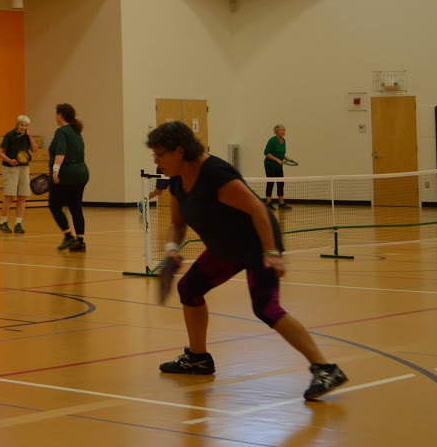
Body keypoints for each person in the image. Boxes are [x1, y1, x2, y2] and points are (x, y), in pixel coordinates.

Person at [147, 120, 347, 400]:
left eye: (159, 154)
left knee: (265, 307)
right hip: (225, 246)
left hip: (256, 242)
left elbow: (257, 209)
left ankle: (326, 368)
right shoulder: (177, 180)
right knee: (189, 289)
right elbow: (177, 224)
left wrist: (271, 253)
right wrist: (171, 248)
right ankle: (197, 358)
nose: (156, 160)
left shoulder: (214, 173)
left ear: (179, 151)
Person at [48, 103, 89, 252]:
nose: (55, 117)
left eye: (56, 114)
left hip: (66, 175)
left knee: (54, 205)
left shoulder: (61, 131)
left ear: (60, 115)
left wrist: (55, 170)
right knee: (76, 208)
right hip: (81, 174)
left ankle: (68, 235)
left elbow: (61, 153)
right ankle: (80, 242)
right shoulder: (76, 131)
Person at [0, 114, 39, 234]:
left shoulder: (27, 136)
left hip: (24, 169)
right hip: (10, 169)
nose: (23, 127)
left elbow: (35, 150)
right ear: (17, 124)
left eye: (26, 126)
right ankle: (2, 222)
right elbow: (0, 153)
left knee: (22, 196)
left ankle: (18, 224)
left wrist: (30, 137)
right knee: (10, 196)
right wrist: (10, 160)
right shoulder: (9, 135)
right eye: (22, 125)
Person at [263, 124, 290, 209]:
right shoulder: (272, 140)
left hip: (278, 166)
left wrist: (288, 159)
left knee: (280, 183)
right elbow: (266, 153)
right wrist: (277, 160)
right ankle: (269, 203)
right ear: (276, 131)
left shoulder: (284, 140)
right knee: (270, 183)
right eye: (281, 130)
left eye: (284, 130)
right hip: (270, 165)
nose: (283, 132)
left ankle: (281, 203)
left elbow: (281, 154)